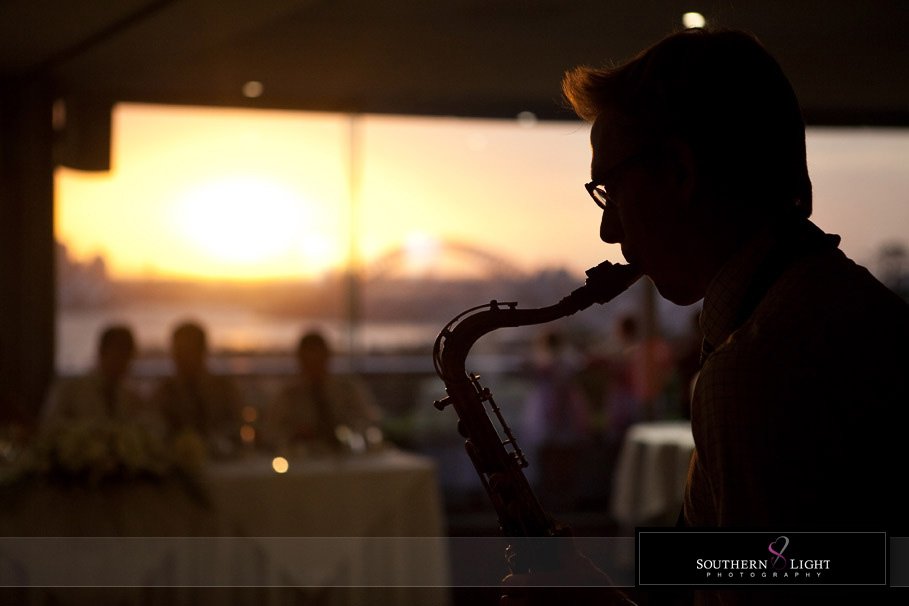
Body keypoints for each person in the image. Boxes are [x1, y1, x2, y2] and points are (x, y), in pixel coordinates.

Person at [507, 27, 909, 605]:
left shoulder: (758, 370)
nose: (607, 229)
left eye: (611, 191)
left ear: (679, 171)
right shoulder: (847, 308)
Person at [264, 330, 382, 454]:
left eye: (318, 361)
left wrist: (347, 433)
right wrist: (295, 435)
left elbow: (367, 421)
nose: (314, 368)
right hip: (302, 462)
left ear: (327, 358)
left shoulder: (347, 390)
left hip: (348, 458)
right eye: (309, 362)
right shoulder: (287, 395)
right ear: (300, 361)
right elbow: (271, 432)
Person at [151, 320, 243, 456]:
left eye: (185, 353)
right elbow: (156, 431)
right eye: (176, 353)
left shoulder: (224, 389)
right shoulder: (165, 391)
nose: (178, 359)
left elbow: (237, 427)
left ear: (202, 353)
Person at [42, 324, 149, 429]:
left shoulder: (132, 398)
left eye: (127, 355)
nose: (123, 361)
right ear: (101, 352)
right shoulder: (72, 389)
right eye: (118, 353)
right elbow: (50, 425)